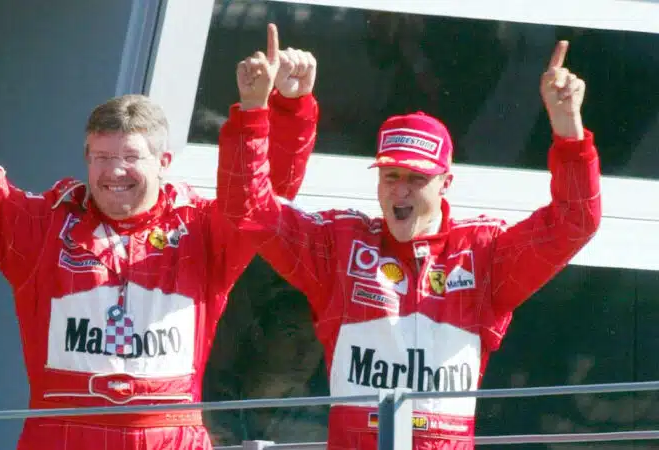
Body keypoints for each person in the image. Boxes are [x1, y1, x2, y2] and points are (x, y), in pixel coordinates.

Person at [0, 27, 318, 450]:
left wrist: (282, 108)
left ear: (163, 160)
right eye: (102, 157)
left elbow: (260, 193)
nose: (114, 171)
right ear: (86, 159)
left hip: (168, 436)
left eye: (130, 157)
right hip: (62, 434)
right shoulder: (43, 229)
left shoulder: (202, 231)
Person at [217, 32, 602, 450]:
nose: (400, 191)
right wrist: (265, 109)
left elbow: (575, 222)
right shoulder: (339, 246)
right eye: (390, 177)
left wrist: (569, 132)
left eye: (416, 179)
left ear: (445, 183)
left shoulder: (482, 254)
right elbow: (248, 211)